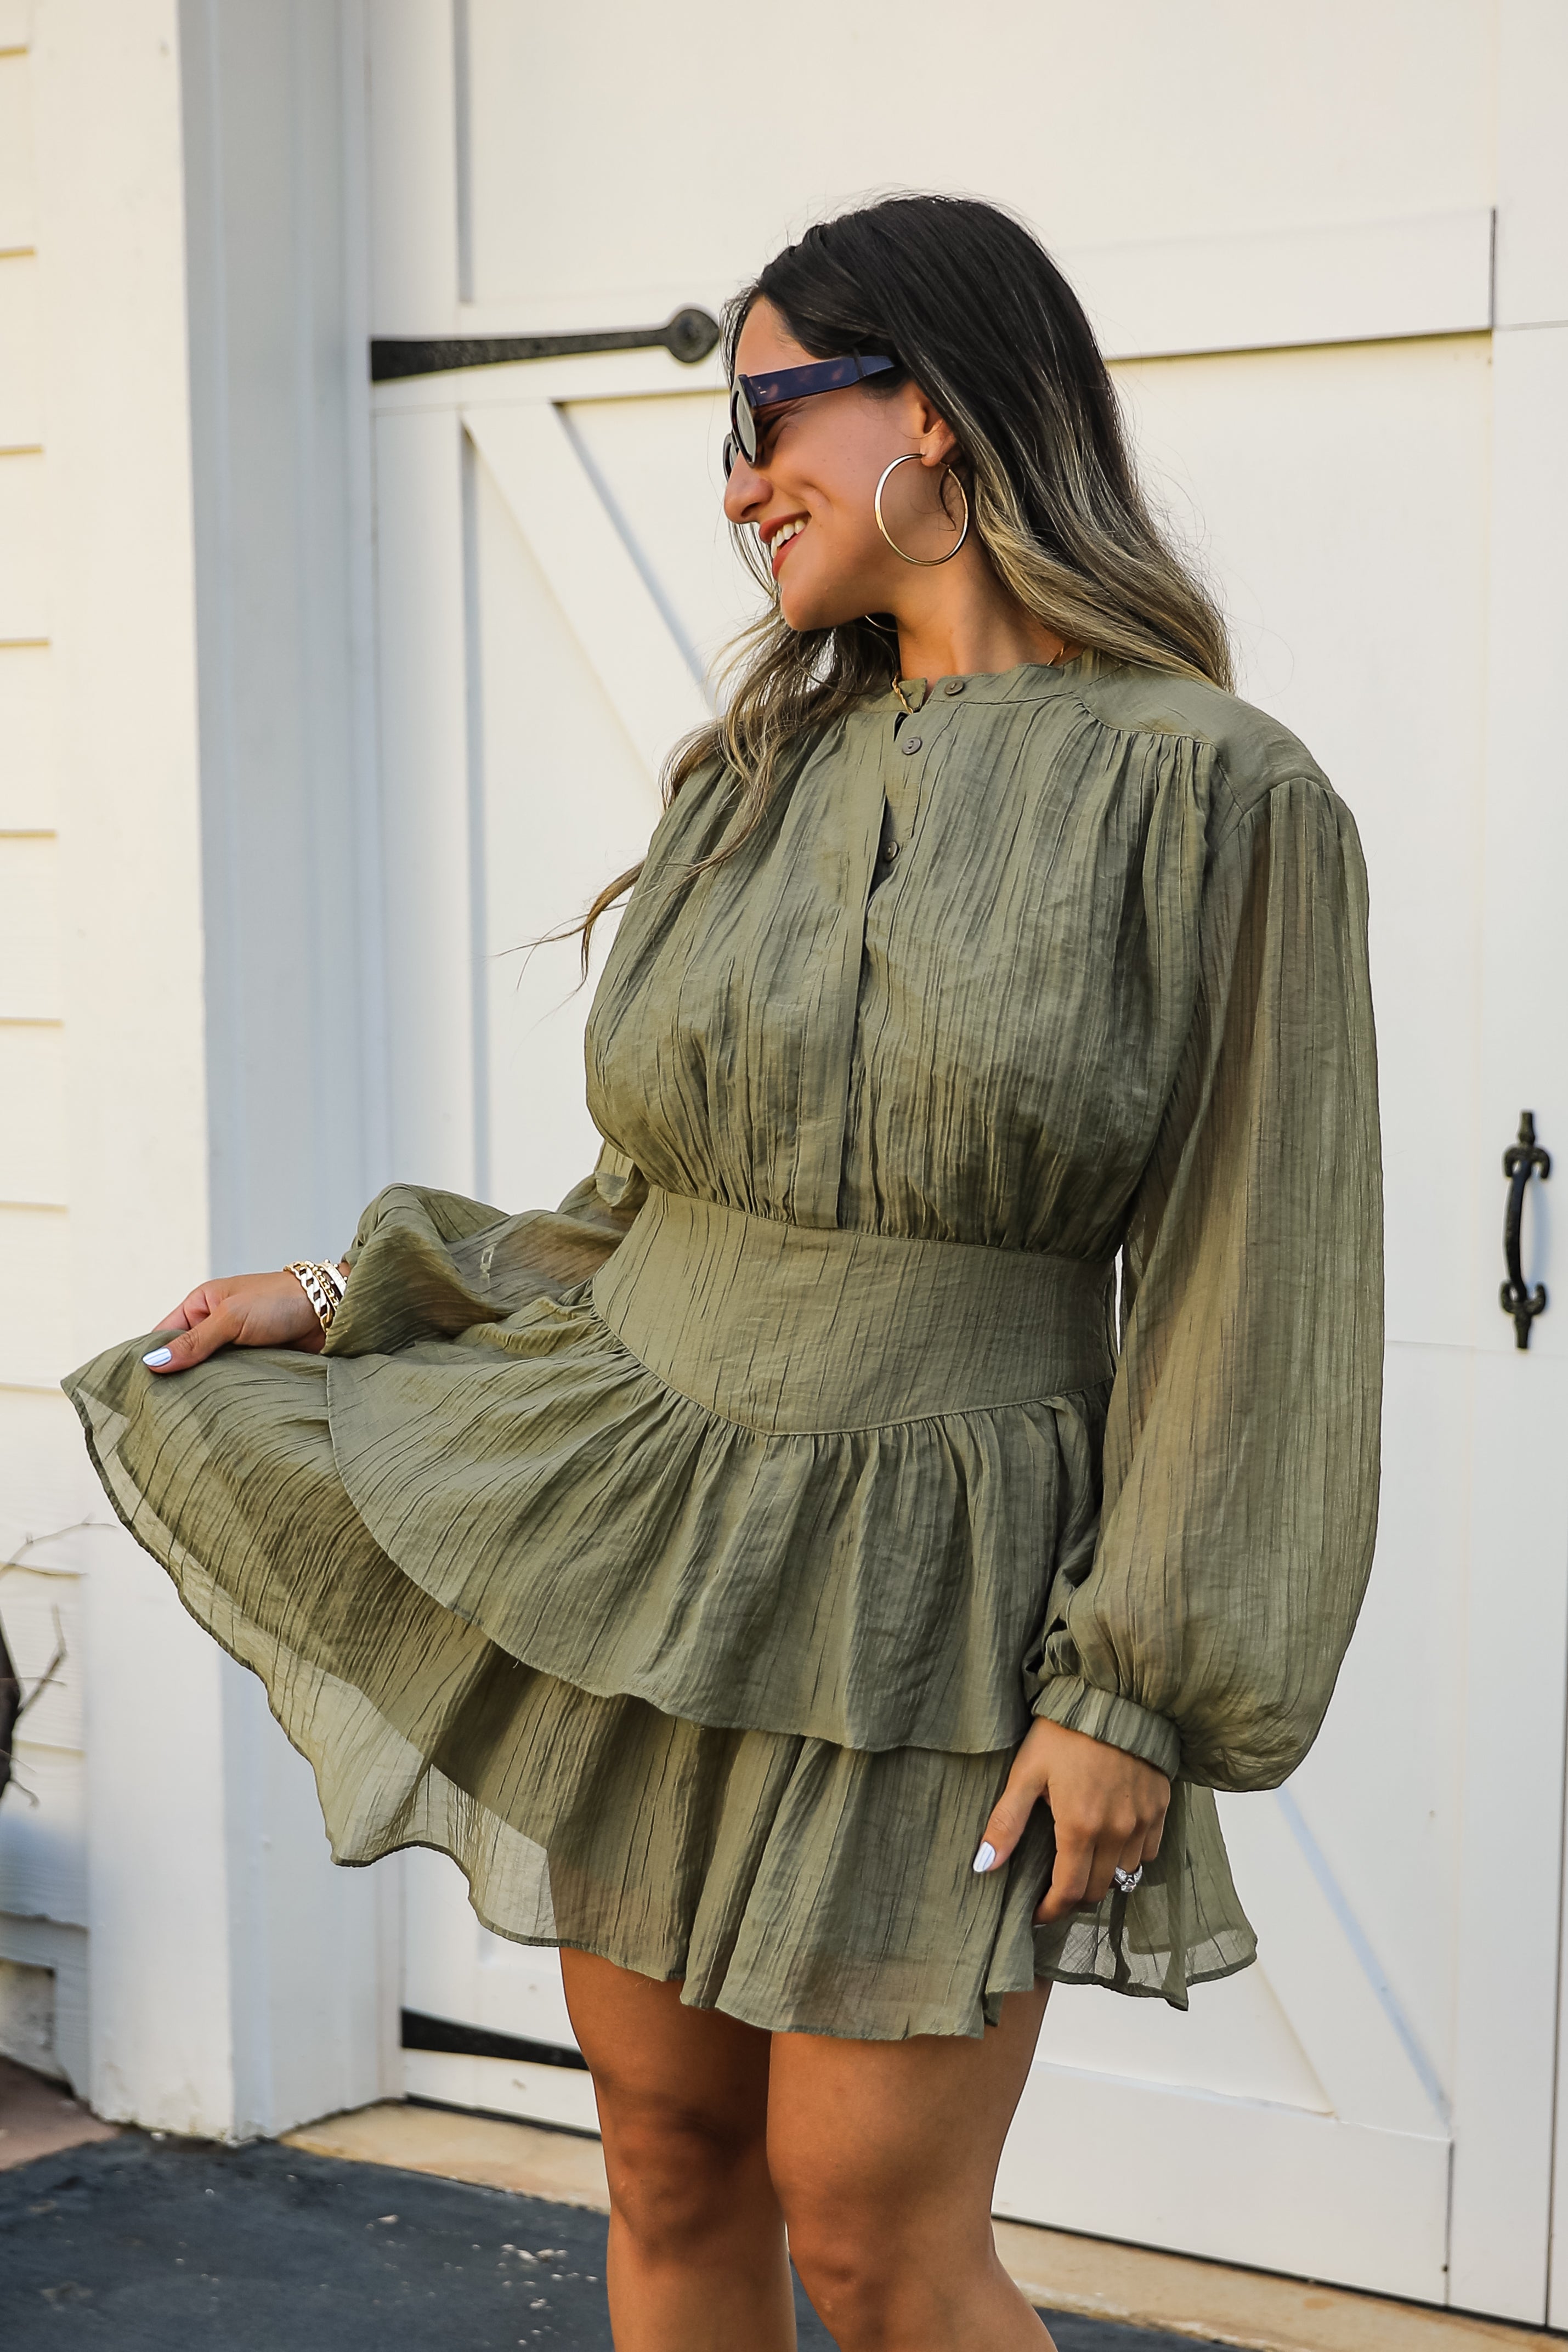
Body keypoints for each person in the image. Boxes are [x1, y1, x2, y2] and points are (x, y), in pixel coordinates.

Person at [65, 193, 1382, 2352]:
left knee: (875, 2239)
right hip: (659, 1539)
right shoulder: (752, 776)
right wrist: (358, 1290)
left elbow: (1263, 1284)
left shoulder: (1215, 793)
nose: (738, 479)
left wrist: (1130, 1686)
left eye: (768, 414)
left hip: (943, 1590)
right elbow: (644, 1208)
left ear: (932, 411)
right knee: (670, 2163)